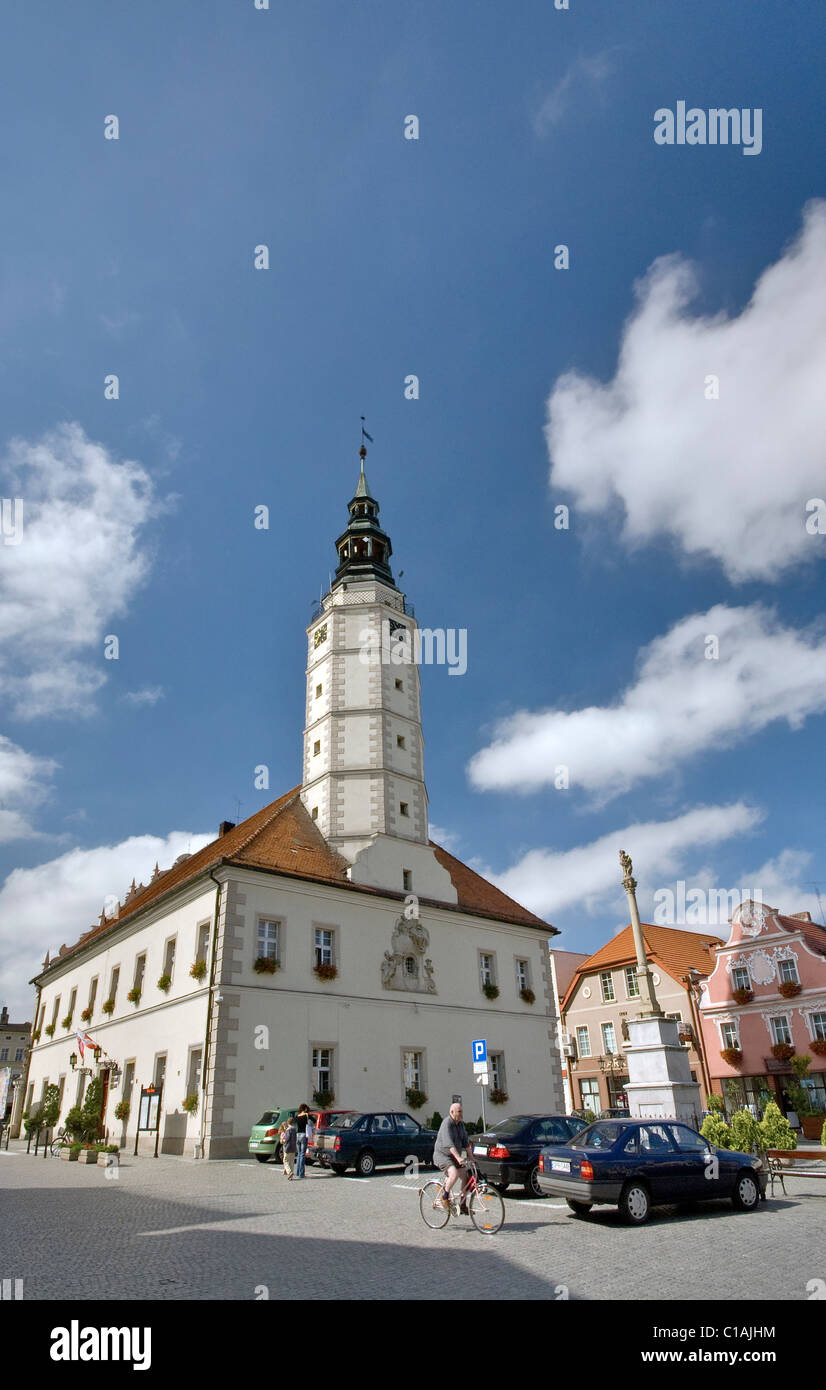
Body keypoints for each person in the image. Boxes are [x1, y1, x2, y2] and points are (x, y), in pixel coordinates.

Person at [433, 1102, 472, 1210]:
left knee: (466, 1176)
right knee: (454, 1174)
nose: (461, 1114)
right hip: (442, 1155)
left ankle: (463, 1204)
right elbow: (449, 1144)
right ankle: (444, 1197)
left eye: (462, 1111)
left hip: (454, 1157)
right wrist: (459, 1158)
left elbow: (466, 1143)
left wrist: (472, 1158)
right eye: (459, 1112)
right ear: (452, 1112)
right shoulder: (447, 1123)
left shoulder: (460, 1124)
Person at [294, 1103, 311, 1179]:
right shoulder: (306, 1116)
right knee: (302, 1154)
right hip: (304, 1135)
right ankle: (301, 1173)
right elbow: (313, 1121)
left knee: (298, 1154)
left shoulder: (297, 1116)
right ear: (305, 1109)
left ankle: (297, 1172)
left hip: (298, 1135)